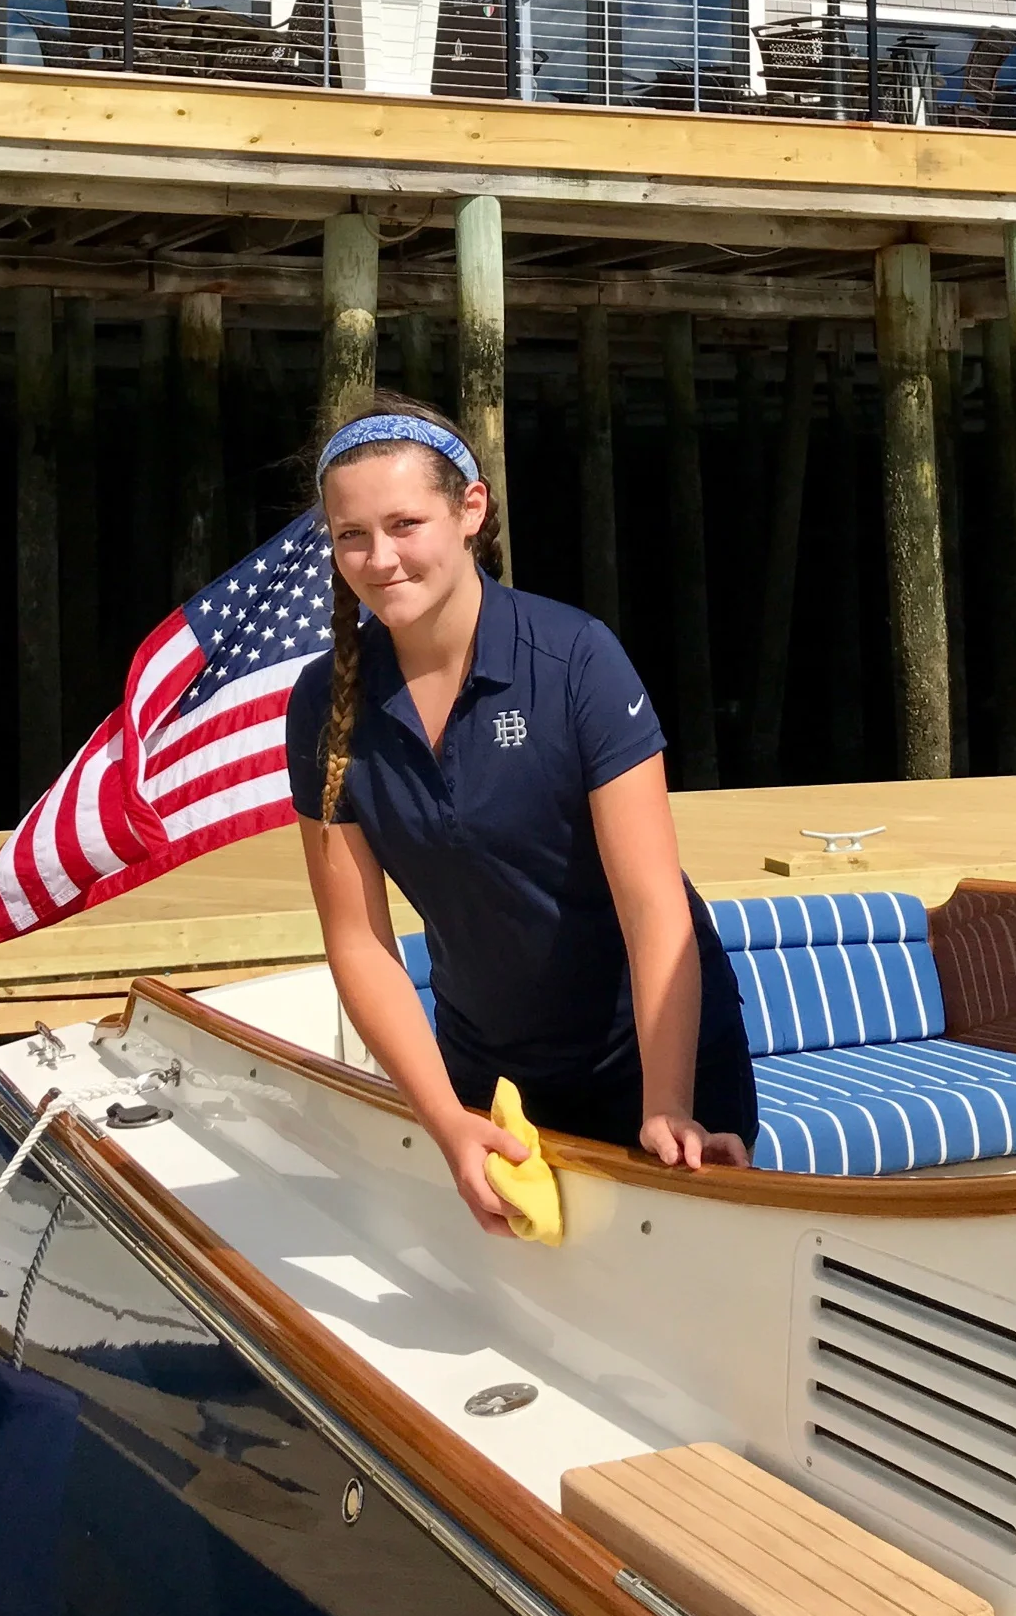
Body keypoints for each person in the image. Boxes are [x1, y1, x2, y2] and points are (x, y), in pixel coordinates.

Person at [285, 393, 755, 1234]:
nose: (379, 558)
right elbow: (359, 941)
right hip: (490, 1076)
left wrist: (668, 1105)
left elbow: (654, 908)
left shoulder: (576, 659)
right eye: (352, 535)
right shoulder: (324, 702)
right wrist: (445, 1120)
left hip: (653, 1059)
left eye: (405, 524)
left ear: (471, 509)